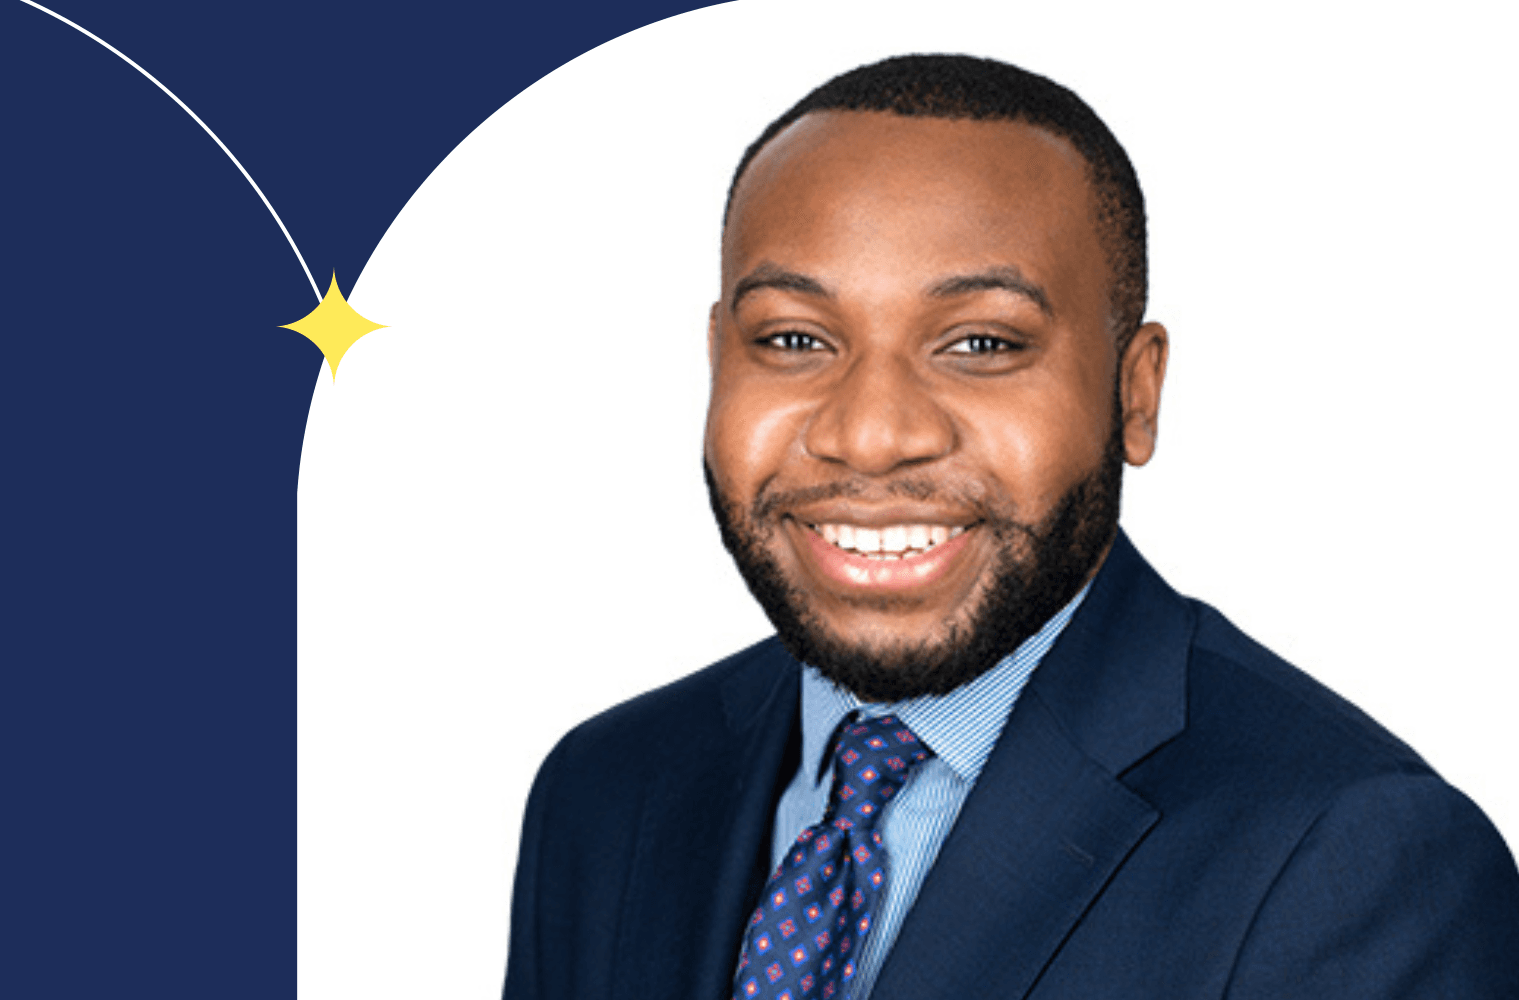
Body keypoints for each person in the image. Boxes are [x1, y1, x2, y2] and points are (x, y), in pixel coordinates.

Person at [500, 54, 1519, 1000]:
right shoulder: (605, 792)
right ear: (717, 360)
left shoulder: (1356, 862)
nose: (870, 436)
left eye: (980, 343)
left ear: (1134, 392)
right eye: (795, 339)